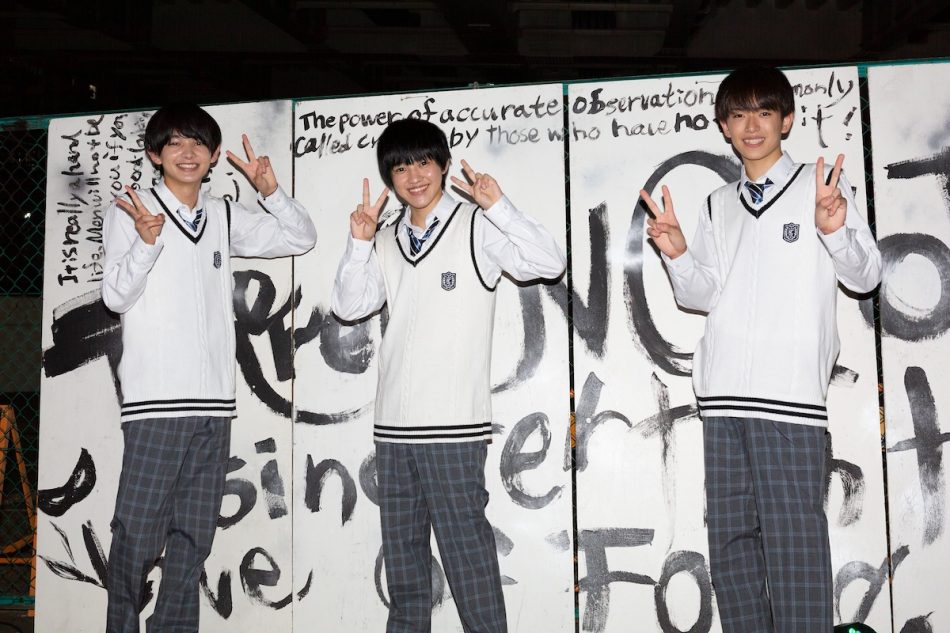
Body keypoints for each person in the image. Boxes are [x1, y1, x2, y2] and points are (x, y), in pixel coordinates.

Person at [639, 67, 882, 632]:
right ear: (724, 126)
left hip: (789, 403)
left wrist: (835, 230)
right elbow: (700, 295)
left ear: (787, 120)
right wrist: (677, 253)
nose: (752, 126)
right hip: (722, 401)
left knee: (795, 550)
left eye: (764, 112)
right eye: (739, 114)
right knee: (731, 551)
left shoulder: (821, 187)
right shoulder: (718, 202)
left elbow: (867, 275)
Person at [331, 118, 565, 633]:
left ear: (442, 165)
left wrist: (499, 207)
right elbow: (348, 307)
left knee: (469, 565)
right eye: (400, 167)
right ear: (389, 178)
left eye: (423, 162)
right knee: (405, 575)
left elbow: (549, 263)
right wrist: (359, 244)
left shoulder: (476, 226)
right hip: (393, 430)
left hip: (454, 428)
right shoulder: (385, 239)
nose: (414, 176)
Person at [101, 102, 316, 633]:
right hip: (156, 404)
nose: (187, 152)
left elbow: (300, 238)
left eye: (198, 142)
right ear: (154, 154)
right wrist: (146, 244)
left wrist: (271, 193)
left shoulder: (222, 214)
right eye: (174, 142)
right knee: (136, 534)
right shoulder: (131, 211)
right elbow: (115, 297)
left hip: (215, 405)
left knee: (194, 537)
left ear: (215, 154)